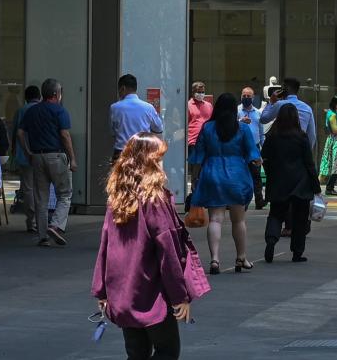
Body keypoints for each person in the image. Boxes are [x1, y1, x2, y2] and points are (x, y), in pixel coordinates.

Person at [92, 133, 209, 360]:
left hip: (124, 291)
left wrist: (101, 289)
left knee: (136, 353)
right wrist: (179, 295)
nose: (163, 164)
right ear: (150, 163)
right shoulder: (155, 200)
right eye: (160, 158)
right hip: (152, 292)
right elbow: (169, 252)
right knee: (167, 350)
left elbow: (105, 246)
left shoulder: (117, 198)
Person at [190, 92, 262, 274]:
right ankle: (241, 257)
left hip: (212, 173)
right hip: (237, 175)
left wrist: (196, 179)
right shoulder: (242, 129)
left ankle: (214, 259)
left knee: (215, 219)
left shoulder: (207, 128)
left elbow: (197, 157)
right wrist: (255, 161)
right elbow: (253, 154)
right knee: (238, 220)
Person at [17, 78, 76, 246]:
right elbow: (65, 136)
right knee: (64, 194)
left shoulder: (32, 111)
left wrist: (28, 151)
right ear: (57, 94)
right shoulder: (60, 111)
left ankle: (43, 236)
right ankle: (56, 226)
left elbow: (20, 133)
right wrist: (72, 159)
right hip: (56, 156)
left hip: (36, 156)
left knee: (40, 198)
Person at [260, 103, 319, 264]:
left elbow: (264, 157)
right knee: (300, 218)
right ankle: (297, 252)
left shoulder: (272, 136)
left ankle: (271, 240)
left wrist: (271, 172)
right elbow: (309, 162)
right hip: (300, 182)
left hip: (278, 181)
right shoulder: (301, 136)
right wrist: (316, 185)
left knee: (276, 213)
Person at [9, 84, 41, 233]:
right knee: (41, 187)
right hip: (42, 153)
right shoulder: (42, 110)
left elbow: (14, 132)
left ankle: (31, 221)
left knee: (28, 188)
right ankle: (43, 220)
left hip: (24, 155)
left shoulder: (21, 111)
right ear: (39, 96)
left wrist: (14, 152)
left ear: (26, 98)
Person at [109, 74, 163, 160]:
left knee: (119, 173)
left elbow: (113, 132)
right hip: (142, 153)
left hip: (121, 153)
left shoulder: (115, 108)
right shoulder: (148, 108)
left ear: (122, 88)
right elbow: (159, 129)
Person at [259, 77, 316, 150]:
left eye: (282, 88)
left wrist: (271, 102)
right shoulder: (307, 108)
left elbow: (264, 119)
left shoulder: (279, 104)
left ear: (286, 88)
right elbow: (312, 135)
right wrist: (307, 151)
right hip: (299, 147)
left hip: (281, 147)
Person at [238, 86, 266, 209]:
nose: (246, 98)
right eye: (244, 96)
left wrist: (263, 149)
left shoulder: (258, 113)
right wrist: (240, 121)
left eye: (249, 96)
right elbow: (231, 126)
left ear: (253, 97)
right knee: (240, 173)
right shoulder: (237, 111)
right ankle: (239, 200)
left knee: (256, 175)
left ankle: (259, 200)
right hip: (240, 147)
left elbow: (261, 133)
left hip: (254, 147)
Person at [186, 81, 212, 193]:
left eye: (202, 92)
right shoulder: (187, 105)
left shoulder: (209, 105)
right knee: (196, 167)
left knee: (207, 166)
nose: (201, 94)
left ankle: (205, 190)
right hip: (193, 140)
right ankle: (195, 191)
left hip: (208, 140)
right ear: (193, 92)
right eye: (198, 92)